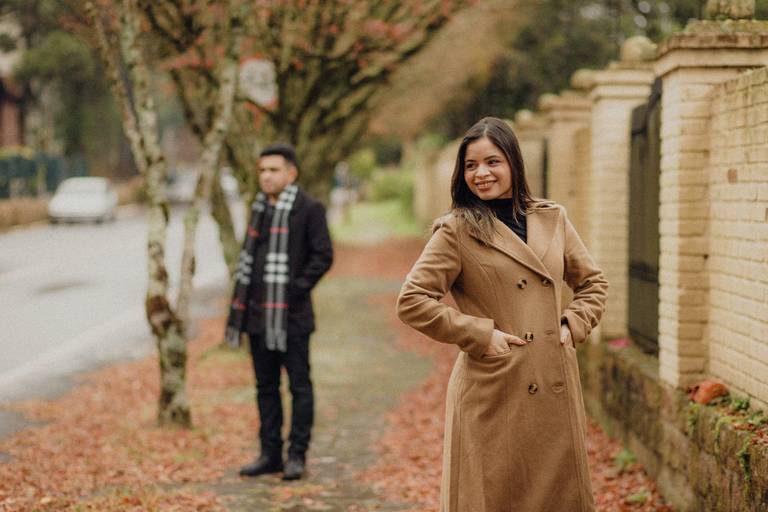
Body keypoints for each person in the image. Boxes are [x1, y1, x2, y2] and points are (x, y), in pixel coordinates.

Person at [396, 117, 608, 511]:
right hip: (494, 384)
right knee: (493, 496)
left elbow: (593, 283)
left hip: (551, 379)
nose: (481, 173)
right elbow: (412, 300)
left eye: (492, 162)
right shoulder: (457, 230)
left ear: (513, 162)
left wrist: (573, 322)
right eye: (471, 165)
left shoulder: (552, 218)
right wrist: (480, 335)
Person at [225, 143, 333, 481]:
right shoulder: (258, 209)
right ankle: (269, 454)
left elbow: (323, 256)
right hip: (258, 317)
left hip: (293, 317)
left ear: (291, 172)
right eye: (262, 170)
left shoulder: (309, 208)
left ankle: (296, 455)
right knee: (265, 388)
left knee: (300, 387)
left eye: (273, 170)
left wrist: (293, 291)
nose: (267, 176)